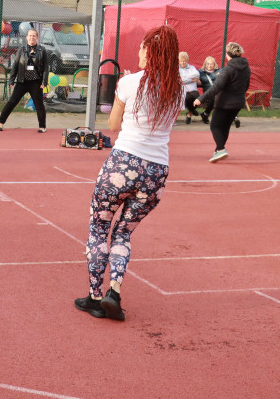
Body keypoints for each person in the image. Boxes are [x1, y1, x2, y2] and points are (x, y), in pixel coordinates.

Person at [75, 25, 183, 322]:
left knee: (99, 229)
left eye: (142, 47)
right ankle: (115, 290)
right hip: (156, 171)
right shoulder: (178, 90)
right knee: (123, 233)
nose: (138, 52)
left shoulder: (129, 83)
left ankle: (95, 297)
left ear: (150, 52)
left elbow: (112, 126)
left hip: (123, 163)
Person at [193, 42, 250, 163]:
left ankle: (220, 148)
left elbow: (216, 87)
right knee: (225, 126)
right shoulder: (246, 68)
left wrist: (200, 98)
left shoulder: (227, 69)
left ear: (228, 55)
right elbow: (246, 85)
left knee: (215, 126)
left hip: (224, 102)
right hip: (238, 102)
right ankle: (218, 150)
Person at [0, 28, 49, 133]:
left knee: (39, 104)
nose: (32, 38)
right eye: (30, 36)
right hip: (22, 81)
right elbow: (15, 65)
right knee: (12, 102)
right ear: (26, 37)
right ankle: (0, 123)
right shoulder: (21, 50)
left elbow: (46, 67)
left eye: (34, 36)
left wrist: (44, 82)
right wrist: (11, 80)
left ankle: (42, 126)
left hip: (36, 82)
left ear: (37, 38)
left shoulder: (42, 50)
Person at [178, 51, 201, 124]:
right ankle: (191, 112)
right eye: (181, 61)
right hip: (183, 90)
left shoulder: (192, 67)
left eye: (184, 61)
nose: (182, 63)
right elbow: (180, 80)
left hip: (193, 89)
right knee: (186, 98)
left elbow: (197, 75)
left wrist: (185, 78)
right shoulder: (177, 69)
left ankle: (190, 113)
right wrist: (191, 79)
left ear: (187, 60)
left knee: (197, 97)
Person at [197, 56, 220, 123]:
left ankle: (205, 114)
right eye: (208, 64)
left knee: (227, 96)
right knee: (216, 97)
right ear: (205, 64)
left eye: (211, 64)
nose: (209, 66)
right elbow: (195, 79)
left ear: (214, 64)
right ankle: (206, 114)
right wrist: (198, 81)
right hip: (208, 92)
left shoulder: (219, 70)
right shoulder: (200, 72)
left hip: (219, 91)